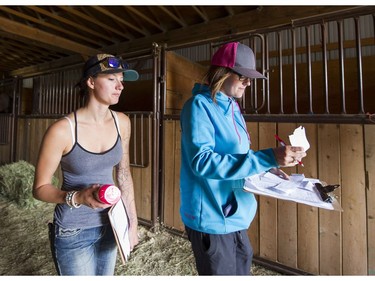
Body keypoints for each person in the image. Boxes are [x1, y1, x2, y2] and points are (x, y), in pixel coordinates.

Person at [179, 42, 307, 275]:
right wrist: (268, 157)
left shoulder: (233, 107)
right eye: (243, 76)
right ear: (222, 73)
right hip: (211, 213)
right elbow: (203, 162)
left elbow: (239, 155)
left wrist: (268, 167)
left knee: (243, 265)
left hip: (235, 210)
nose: (248, 82)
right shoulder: (198, 106)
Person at [33, 53, 139, 275]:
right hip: (74, 229)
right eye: (111, 79)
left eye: (122, 80)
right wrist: (77, 197)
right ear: (91, 82)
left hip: (111, 224)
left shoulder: (123, 122)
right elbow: (40, 188)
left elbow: (124, 174)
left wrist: (132, 223)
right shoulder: (62, 130)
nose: (120, 86)